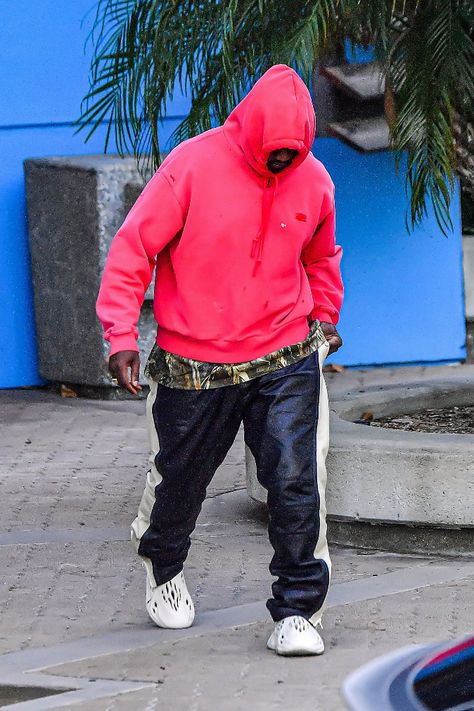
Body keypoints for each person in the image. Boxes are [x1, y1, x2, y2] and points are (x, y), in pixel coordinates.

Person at [96, 64, 344, 656]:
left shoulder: (314, 179)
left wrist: (326, 316)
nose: (282, 164)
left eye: (293, 153)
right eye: (273, 154)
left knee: (295, 478)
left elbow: (322, 255)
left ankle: (298, 610)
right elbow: (134, 247)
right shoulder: (192, 164)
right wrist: (121, 334)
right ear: (251, 131)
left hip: (285, 353)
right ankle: (163, 567)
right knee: (179, 481)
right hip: (194, 361)